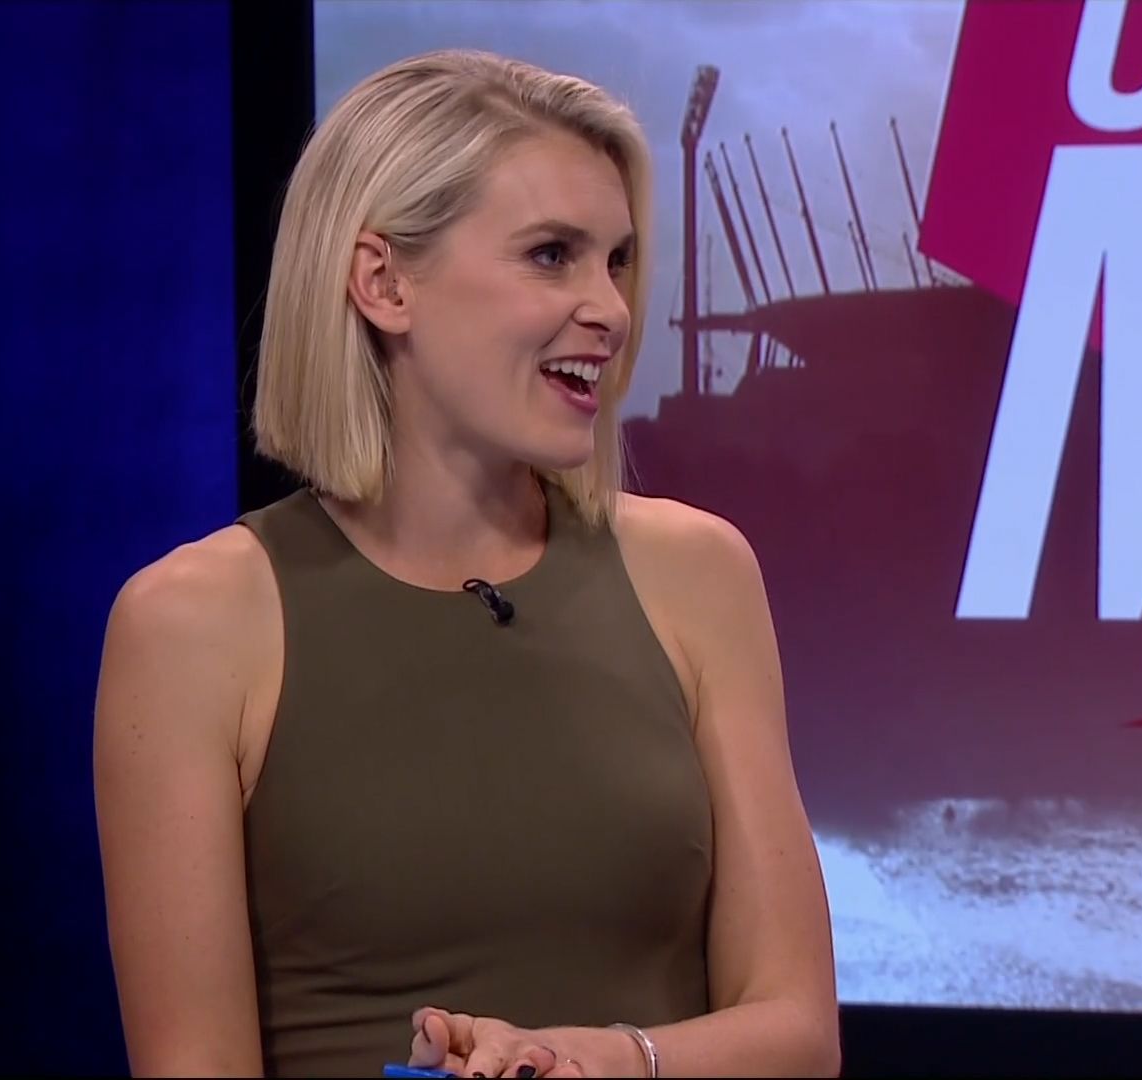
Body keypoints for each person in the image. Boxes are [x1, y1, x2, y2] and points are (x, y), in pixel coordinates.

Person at [93, 48, 840, 1078]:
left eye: (617, 261)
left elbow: (798, 1031)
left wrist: (600, 1060)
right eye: (552, 255)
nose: (611, 309)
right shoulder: (192, 624)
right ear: (384, 281)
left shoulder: (698, 574)